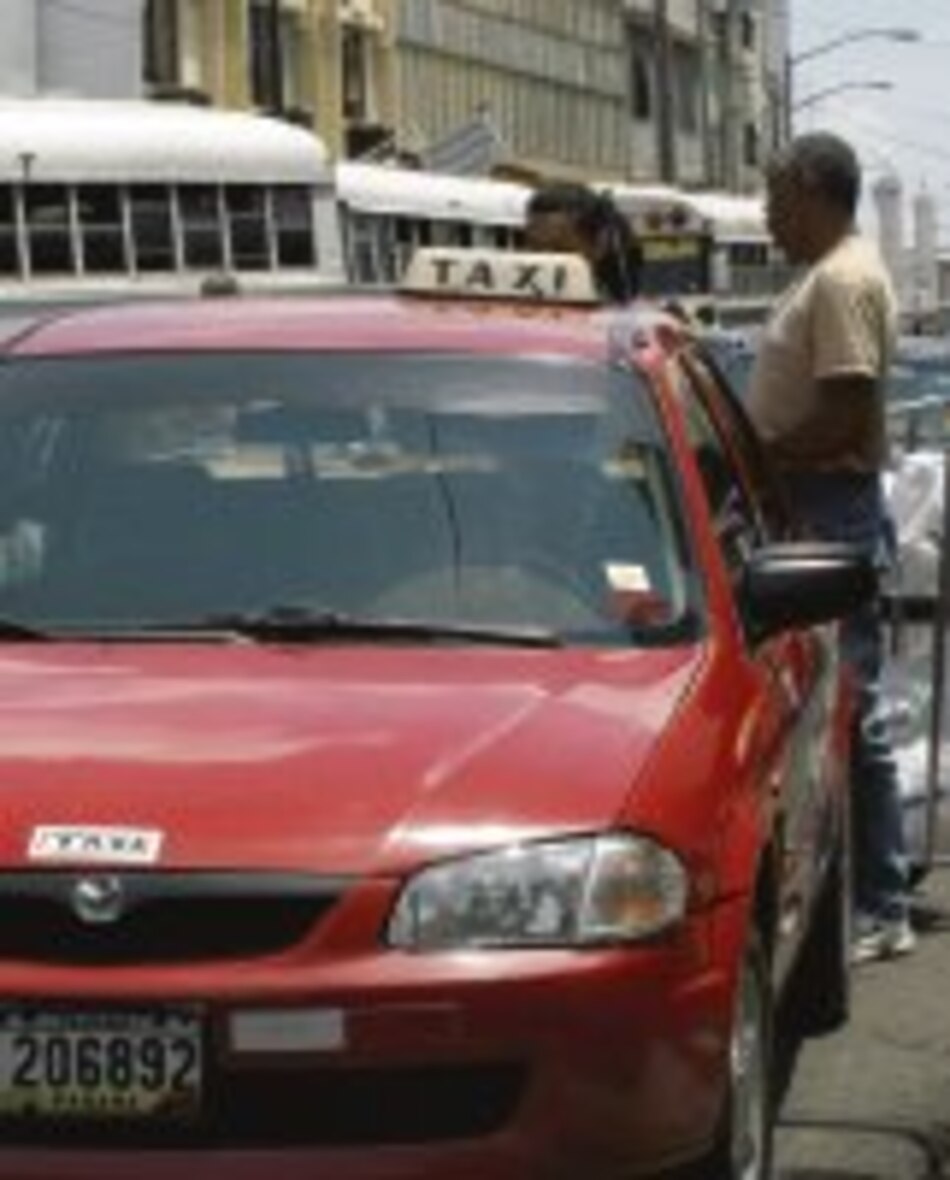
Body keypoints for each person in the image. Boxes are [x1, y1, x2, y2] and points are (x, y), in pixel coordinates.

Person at [746, 131, 913, 963]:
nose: (768, 216)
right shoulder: (827, 275)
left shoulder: (842, 279)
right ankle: (867, 888)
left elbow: (845, 410)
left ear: (813, 191)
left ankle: (882, 903)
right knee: (834, 707)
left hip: (830, 506)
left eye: (777, 199)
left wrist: (762, 458)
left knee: (855, 709)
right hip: (819, 502)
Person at [524, 183, 641, 304]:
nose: (544, 262)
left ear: (600, 243)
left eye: (559, 250)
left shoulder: (623, 317)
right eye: (535, 250)